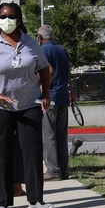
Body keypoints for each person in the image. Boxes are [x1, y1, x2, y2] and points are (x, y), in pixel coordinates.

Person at [0, 2, 55, 208]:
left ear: (19, 19)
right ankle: (1, 202)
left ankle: (35, 200)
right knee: (1, 151)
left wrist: (46, 93)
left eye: (10, 16)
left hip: (28, 104)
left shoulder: (30, 43)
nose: (6, 20)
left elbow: (44, 67)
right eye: (2, 16)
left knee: (32, 151)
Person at [37, 25, 71, 181]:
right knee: (61, 136)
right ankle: (64, 169)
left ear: (39, 38)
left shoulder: (43, 51)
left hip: (50, 97)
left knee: (48, 135)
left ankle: (52, 170)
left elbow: (47, 72)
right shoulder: (62, 50)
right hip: (63, 96)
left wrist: (41, 90)